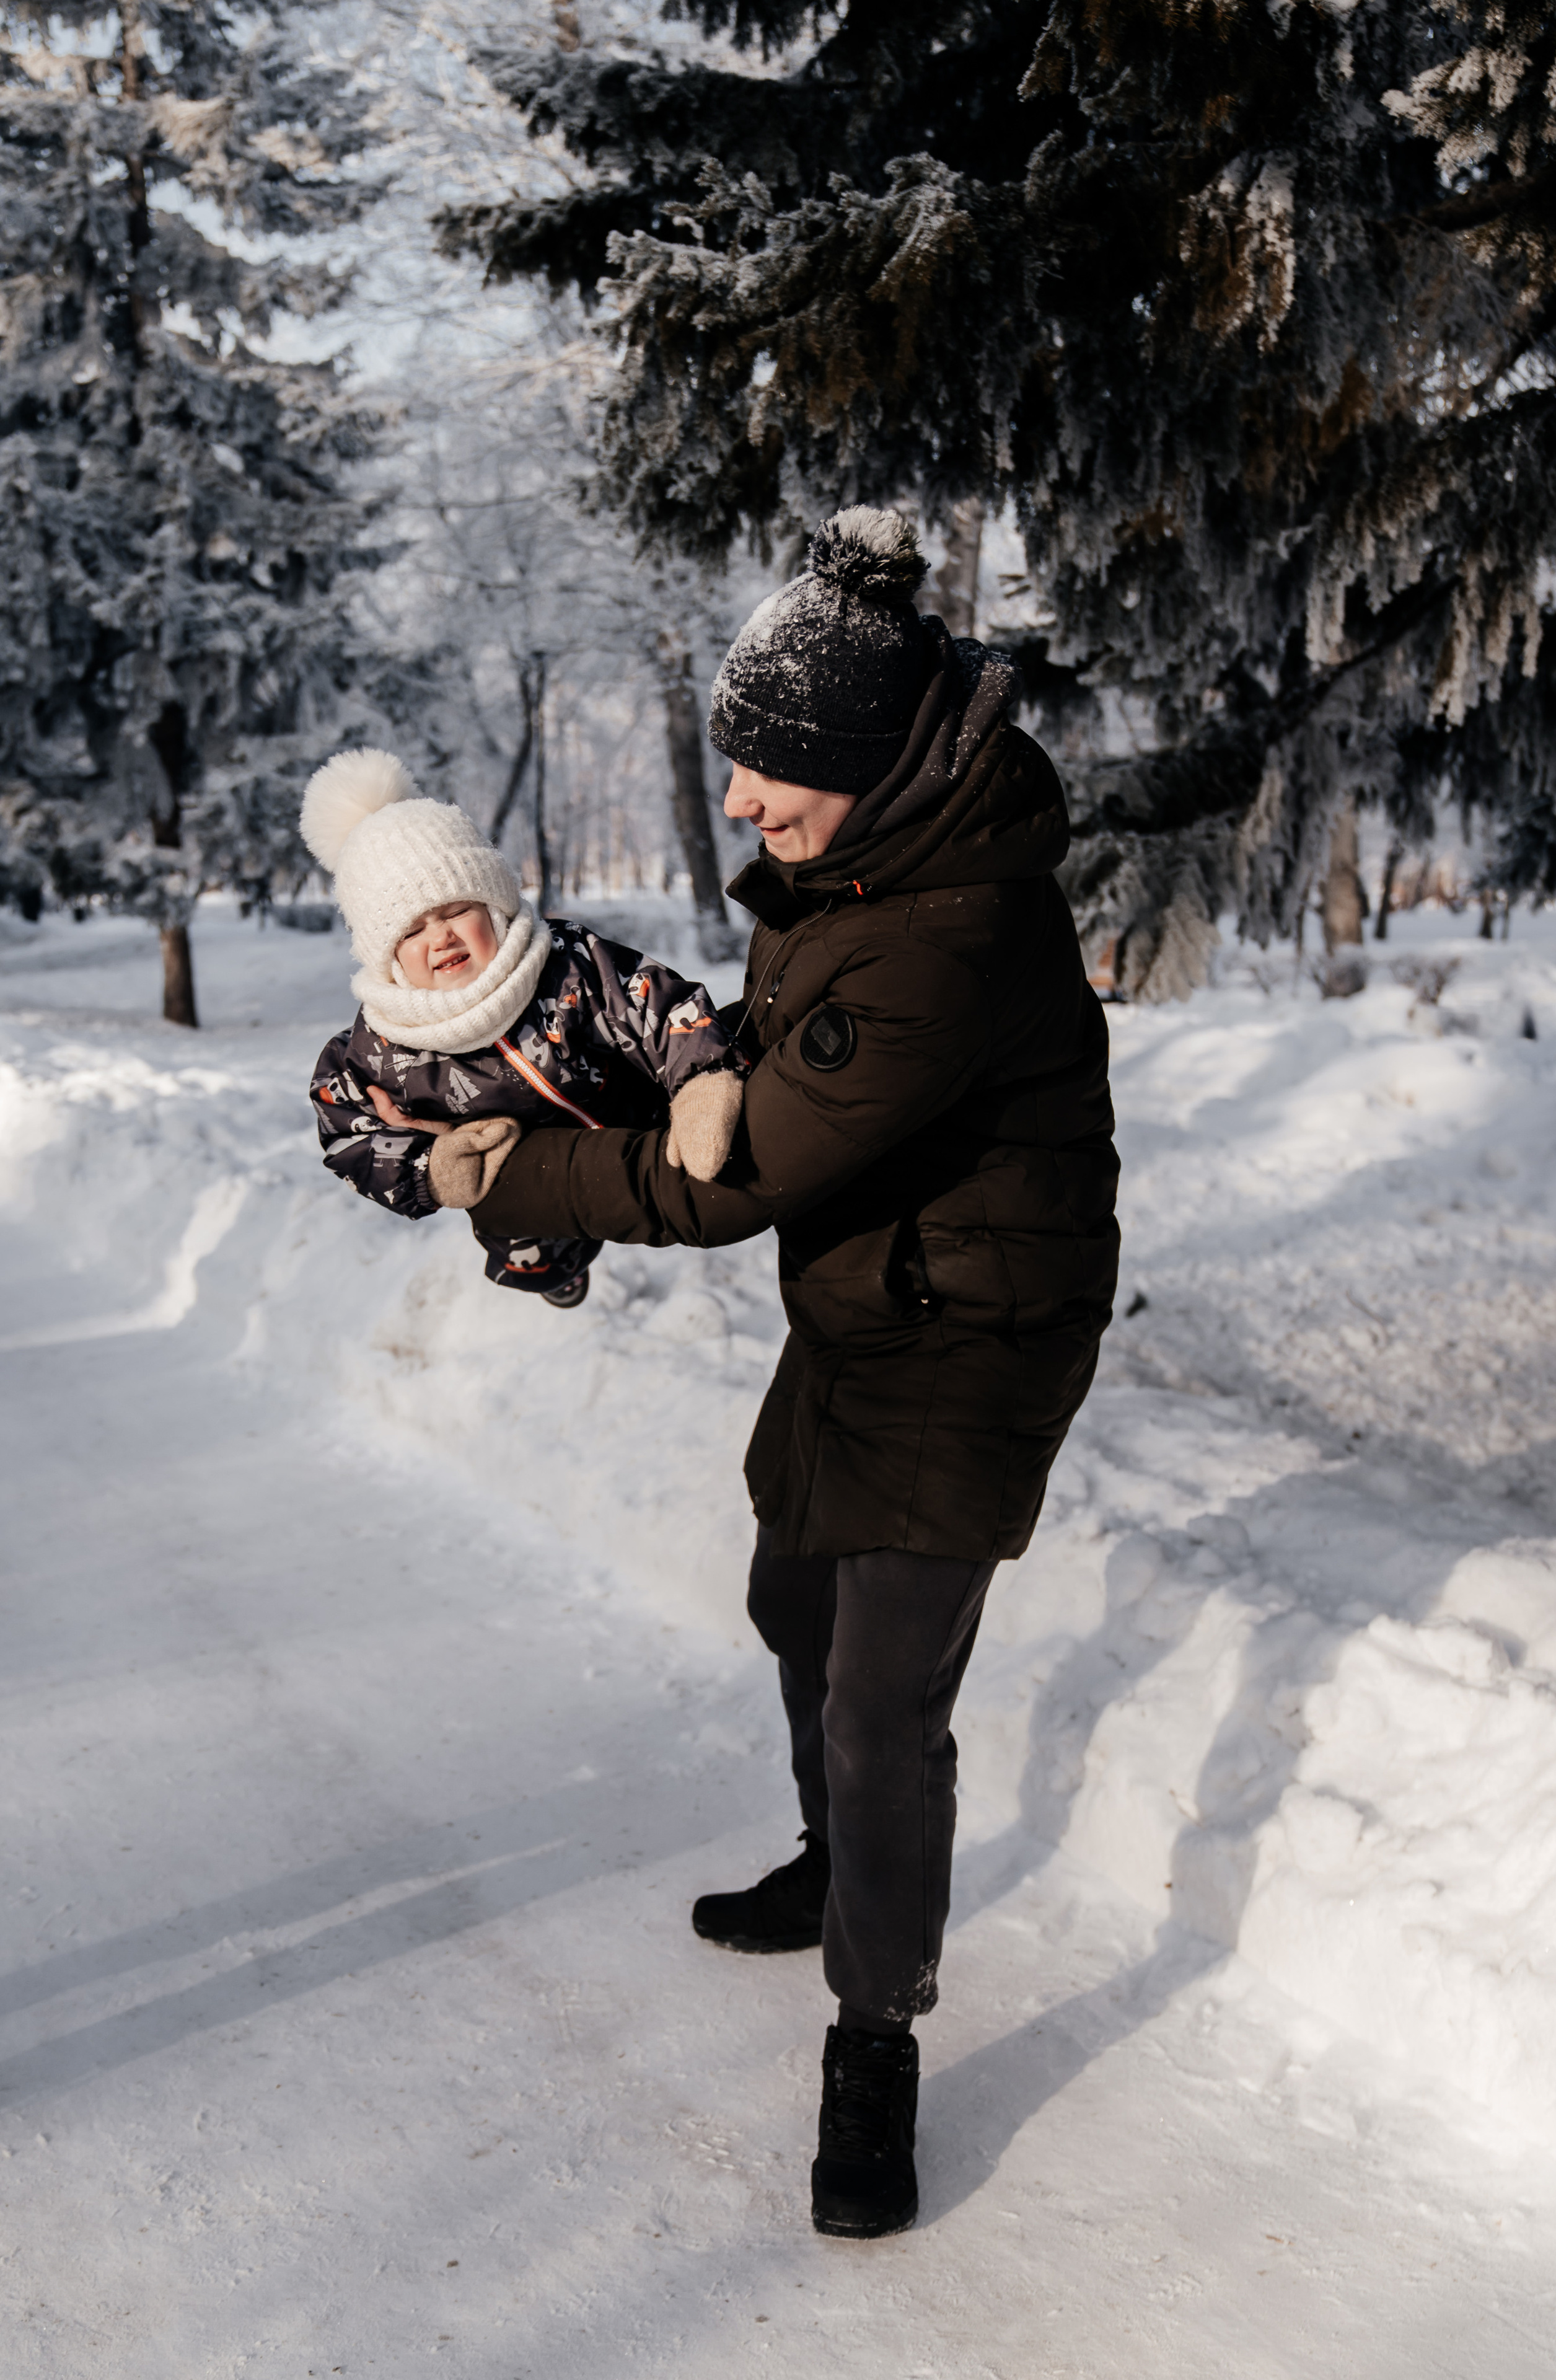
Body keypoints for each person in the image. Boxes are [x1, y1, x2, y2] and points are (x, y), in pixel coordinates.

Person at [448, 506, 1119, 2238]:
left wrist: (510, 1174)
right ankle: (838, 1861)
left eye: (764, 771)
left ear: (868, 763)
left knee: (881, 1697)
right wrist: (624, 1050)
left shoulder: (943, 935)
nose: (738, 799)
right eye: (734, 765)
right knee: (793, 1606)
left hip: (967, 1343)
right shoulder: (866, 863)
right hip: (869, 1306)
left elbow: (737, 1172)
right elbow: (760, 1065)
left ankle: (874, 2042)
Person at [301, 748, 746, 1300]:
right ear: (386, 957)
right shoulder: (383, 1041)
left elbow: (651, 1002)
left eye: (456, 910)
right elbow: (343, 1124)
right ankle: (563, 1275)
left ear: (496, 904)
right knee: (538, 1258)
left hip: (643, 1130)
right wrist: (431, 1168)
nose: (440, 937)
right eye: (411, 930)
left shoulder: (565, 963)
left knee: (703, 1179)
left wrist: (702, 1078)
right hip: (527, 1193)